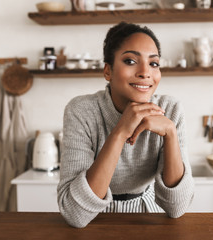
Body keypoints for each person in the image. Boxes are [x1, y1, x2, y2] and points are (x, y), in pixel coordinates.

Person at [57, 22, 194, 228]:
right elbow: (75, 214)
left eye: (154, 63)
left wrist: (171, 134)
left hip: (148, 218)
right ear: (108, 71)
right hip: (93, 219)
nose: (145, 72)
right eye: (130, 61)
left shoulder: (170, 109)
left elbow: (177, 208)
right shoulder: (81, 110)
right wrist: (120, 131)